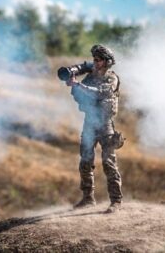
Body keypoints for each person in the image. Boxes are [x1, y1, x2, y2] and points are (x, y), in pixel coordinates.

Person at [66, 44, 123, 213]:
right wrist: (75, 86)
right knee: (85, 161)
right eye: (94, 59)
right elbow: (78, 96)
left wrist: (81, 86)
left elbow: (101, 92)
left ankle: (116, 201)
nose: (94, 62)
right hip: (90, 122)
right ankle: (87, 198)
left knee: (109, 162)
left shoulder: (112, 78)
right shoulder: (90, 77)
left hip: (105, 124)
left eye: (98, 59)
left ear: (107, 62)